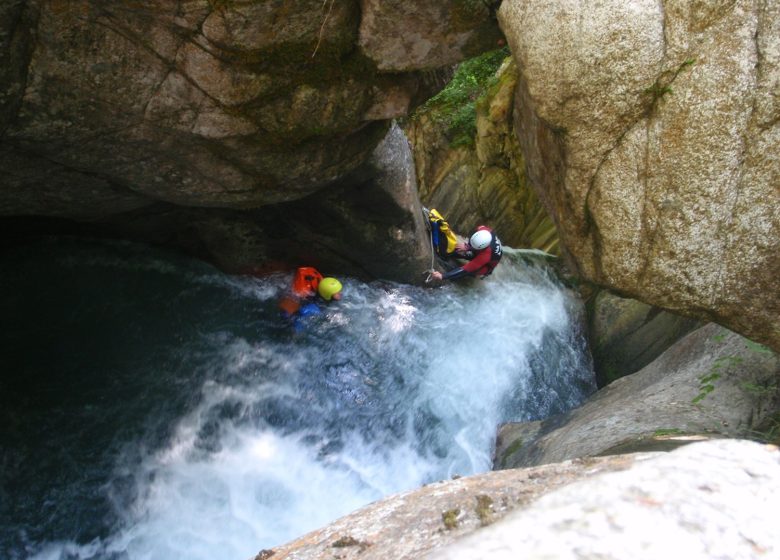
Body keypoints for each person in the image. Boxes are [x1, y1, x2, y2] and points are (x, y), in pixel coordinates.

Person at [429, 225, 502, 282]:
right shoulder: (482, 229)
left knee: (471, 271)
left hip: (487, 265)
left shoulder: (486, 256)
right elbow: (473, 237)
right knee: (458, 250)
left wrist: (443, 276)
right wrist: (467, 247)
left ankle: (473, 275)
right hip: (480, 249)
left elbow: (466, 269)